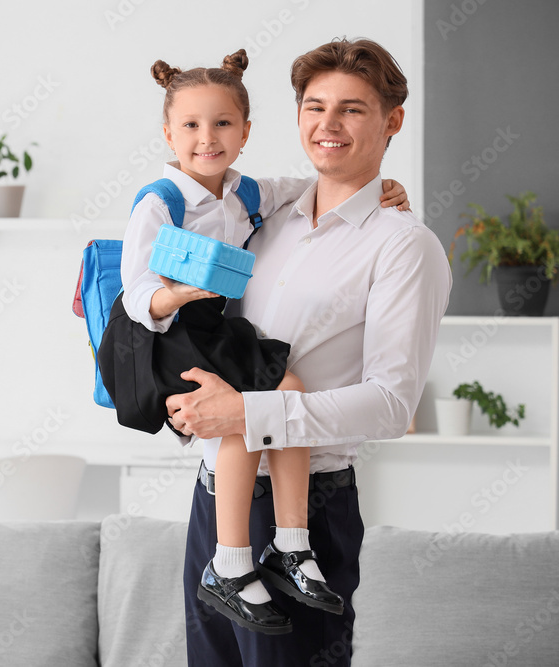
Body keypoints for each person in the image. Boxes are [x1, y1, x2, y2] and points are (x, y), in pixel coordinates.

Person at [96, 50, 410, 636]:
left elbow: (312, 185)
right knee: (255, 408)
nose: (206, 138)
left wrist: (382, 187)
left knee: (282, 393)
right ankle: (233, 561)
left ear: (245, 132)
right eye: (190, 126)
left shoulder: (250, 194)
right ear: (167, 133)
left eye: (221, 124)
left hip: (218, 333)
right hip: (169, 332)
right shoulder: (160, 202)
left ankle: (292, 544)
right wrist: (178, 295)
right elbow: (136, 293)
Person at [166, 38, 452, 666]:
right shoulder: (261, 216)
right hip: (216, 500)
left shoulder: (405, 247)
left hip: (310, 518)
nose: (328, 125)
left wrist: (248, 415)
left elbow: (389, 404)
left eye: (351, 109)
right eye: (314, 106)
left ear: (392, 121)